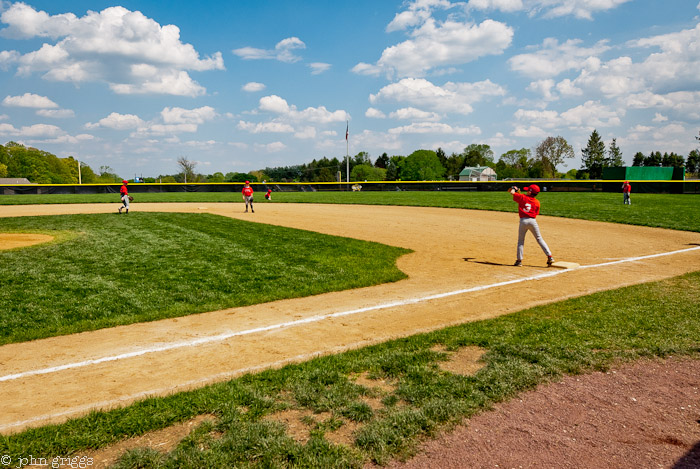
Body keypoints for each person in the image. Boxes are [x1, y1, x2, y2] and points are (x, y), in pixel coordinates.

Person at [509, 184, 553, 267]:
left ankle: (519, 261)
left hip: (523, 221)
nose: (526, 191)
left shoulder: (522, 197)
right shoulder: (537, 202)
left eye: (528, 190)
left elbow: (512, 193)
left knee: (521, 241)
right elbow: (536, 213)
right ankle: (550, 256)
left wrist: (514, 189)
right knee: (539, 239)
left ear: (530, 192)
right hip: (533, 221)